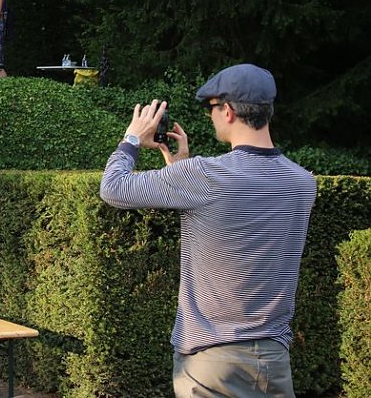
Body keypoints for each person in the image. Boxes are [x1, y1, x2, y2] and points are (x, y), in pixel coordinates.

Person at [99, 63, 317, 397]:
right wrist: (180, 172)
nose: (211, 116)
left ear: (227, 111)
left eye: (212, 108)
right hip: (273, 360)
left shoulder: (205, 176)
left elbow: (114, 187)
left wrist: (131, 139)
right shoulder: (302, 182)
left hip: (210, 360)